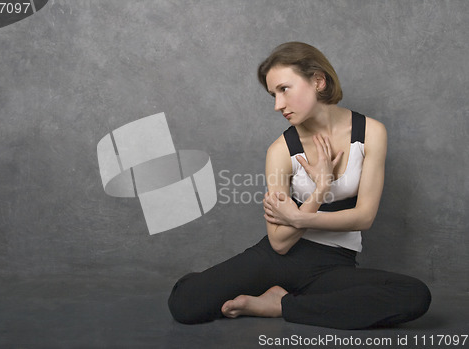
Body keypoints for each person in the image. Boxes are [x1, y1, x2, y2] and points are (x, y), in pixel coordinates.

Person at [167, 42, 431, 329]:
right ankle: (209, 281)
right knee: (185, 304)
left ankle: (280, 305)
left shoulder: (371, 133)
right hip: (277, 260)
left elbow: (364, 217)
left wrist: (298, 216)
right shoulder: (280, 151)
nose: (277, 105)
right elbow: (280, 243)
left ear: (318, 81)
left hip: (333, 265)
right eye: (273, 94)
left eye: (284, 89)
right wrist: (319, 191)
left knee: (414, 295)